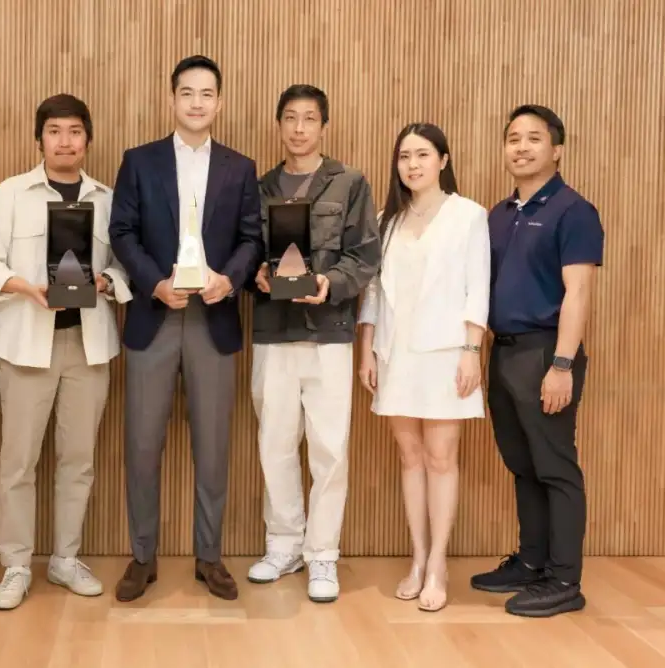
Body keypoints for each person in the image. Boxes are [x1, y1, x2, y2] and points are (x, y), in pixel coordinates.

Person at [108, 55, 264, 602]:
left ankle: (210, 557)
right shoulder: (139, 161)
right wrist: (153, 283)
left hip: (212, 318)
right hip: (155, 316)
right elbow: (122, 232)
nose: (197, 103)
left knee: (214, 446)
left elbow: (252, 238)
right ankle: (142, 556)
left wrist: (230, 279)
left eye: (207, 94)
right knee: (142, 443)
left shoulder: (240, 168)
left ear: (220, 102)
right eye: (187, 93)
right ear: (172, 98)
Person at [0, 93, 132, 610]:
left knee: (78, 460)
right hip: (25, 346)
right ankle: (16, 565)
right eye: (55, 131)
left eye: (75, 132)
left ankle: (65, 558)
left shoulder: (108, 200)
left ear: (88, 139)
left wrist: (104, 282)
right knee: (18, 462)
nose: (65, 141)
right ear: (39, 139)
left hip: (89, 346)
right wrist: (25, 286)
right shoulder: (11, 195)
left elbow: (126, 265)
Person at [246, 85, 379, 603]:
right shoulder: (260, 187)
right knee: (275, 444)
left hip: (329, 331)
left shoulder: (349, 183)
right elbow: (245, 252)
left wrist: (330, 283)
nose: (299, 128)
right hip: (273, 331)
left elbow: (364, 255)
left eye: (309, 119)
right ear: (278, 124)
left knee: (329, 448)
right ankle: (283, 546)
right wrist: (257, 273)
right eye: (290, 118)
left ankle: (322, 554)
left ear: (324, 126)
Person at [470, 105, 603, 618]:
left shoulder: (574, 210)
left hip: (546, 352)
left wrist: (562, 365)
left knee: (555, 467)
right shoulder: (499, 214)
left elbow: (578, 292)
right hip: (503, 351)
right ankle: (531, 563)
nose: (521, 147)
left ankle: (564, 580)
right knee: (522, 465)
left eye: (533, 138)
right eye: (512, 139)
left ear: (557, 149)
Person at [357, 123, 490, 612]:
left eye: (422, 154)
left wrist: (472, 351)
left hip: (446, 354)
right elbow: (373, 291)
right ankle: (417, 558)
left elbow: (478, 286)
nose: (412, 164)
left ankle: (438, 563)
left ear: (443, 160)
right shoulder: (386, 220)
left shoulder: (468, 215)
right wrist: (367, 348)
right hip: (396, 353)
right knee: (409, 457)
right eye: (404, 156)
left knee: (440, 458)